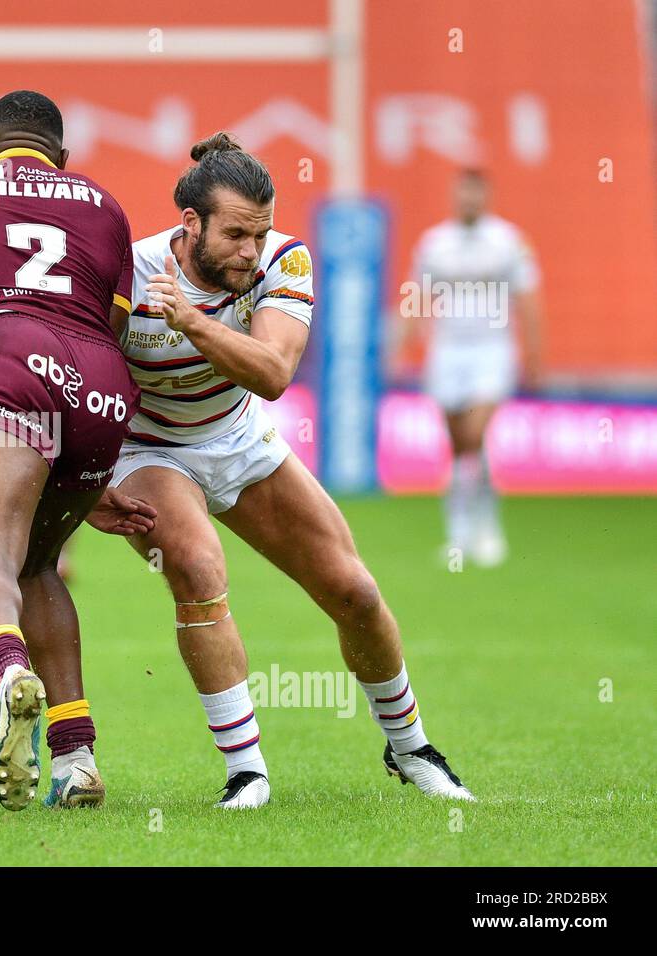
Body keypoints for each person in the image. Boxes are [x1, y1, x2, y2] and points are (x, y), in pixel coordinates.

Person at [100, 132, 473, 808]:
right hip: (148, 448)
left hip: (238, 437)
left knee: (353, 591)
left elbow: (273, 373)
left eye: (259, 232)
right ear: (191, 225)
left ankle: (411, 747)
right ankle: (248, 773)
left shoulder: (284, 259)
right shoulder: (123, 273)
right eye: (237, 234)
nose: (250, 250)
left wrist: (192, 323)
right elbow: (79, 379)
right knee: (199, 569)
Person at [0, 90, 151, 811]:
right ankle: (77, 759)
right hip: (101, 387)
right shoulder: (106, 206)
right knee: (41, 563)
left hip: (5, 356)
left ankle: (13, 676)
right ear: (63, 159)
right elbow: (107, 321)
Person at [406, 168, 542, 567]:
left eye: (475, 194)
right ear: (455, 196)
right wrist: (401, 342)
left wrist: (534, 354)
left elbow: (529, 298)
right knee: (459, 444)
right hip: (448, 351)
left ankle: (483, 526)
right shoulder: (435, 243)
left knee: (474, 432)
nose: (468, 200)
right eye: (462, 193)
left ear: (486, 196)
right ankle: (462, 530)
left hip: (491, 350)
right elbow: (417, 295)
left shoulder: (508, 242)